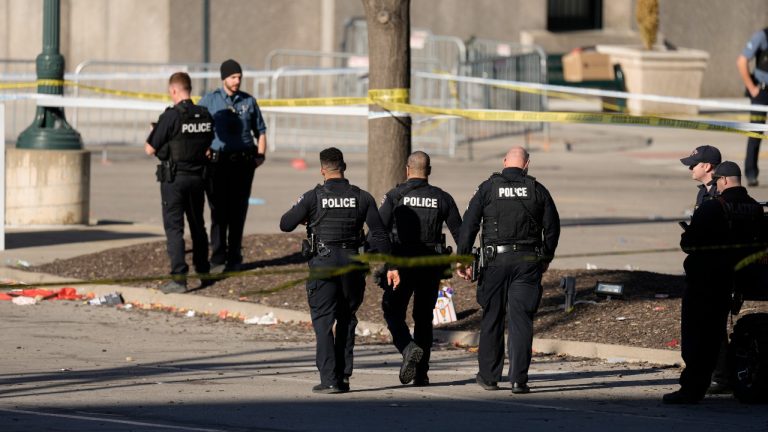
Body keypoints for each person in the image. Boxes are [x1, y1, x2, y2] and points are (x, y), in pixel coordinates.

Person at [279, 147, 399, 394]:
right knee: (346, 320)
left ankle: (329, 380)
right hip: (353, 265)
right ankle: (343, 378)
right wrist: (391, 265)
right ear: (344, 167)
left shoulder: (313, 197)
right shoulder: (362, 197)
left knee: (323, 323)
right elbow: (379, 233)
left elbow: (285, 224)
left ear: (323, 169)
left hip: (324, 265)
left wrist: (306, 217)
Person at [456, 146, 560, 394]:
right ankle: (518, 380)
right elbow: (553, 228)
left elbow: (469, 224)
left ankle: (489, 378)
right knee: (521, 320)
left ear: (504, 162)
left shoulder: (488, 188)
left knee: (492, 317)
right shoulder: (537, 190)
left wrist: (463, 259)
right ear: (527, 165)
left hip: (495, 264)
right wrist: (545, 257)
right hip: (527, 264)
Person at [664, 161, 764, 404]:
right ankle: (728, 378)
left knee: (697, 338)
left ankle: (692, 389)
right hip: (738, 279)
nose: (717, 186)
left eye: (718, 182)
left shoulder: (713, 207)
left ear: (725, 180)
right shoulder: (755, 208)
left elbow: (689, 245)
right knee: (715, 333)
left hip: (706, 281)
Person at [378, 151, 462, 386]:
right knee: (423, 318)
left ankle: (407, 348)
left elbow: (378, 230)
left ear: (407, 170)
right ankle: (421, 374)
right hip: (430, 266)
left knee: (392, 311)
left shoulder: (395, 195)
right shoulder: (442, 197)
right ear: (430, 171)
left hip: (402, 265)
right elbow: (460, 232)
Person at [145, 72, 213, 293]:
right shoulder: (204, 114)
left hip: (175, 180)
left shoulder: (171, 116)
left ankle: (179, 278)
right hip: (198, 178)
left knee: (174, 229)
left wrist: (156, 130)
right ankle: (203, 270)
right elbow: (208, 145)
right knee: (198, 226)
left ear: (173, 90)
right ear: (189, 89)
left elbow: (150, 148)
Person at [198, 59, 267, 273]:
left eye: (239, 77)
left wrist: (261, 155)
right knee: (218, 211)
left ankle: (234, 257)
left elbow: (261, 131)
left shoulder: (249, 101)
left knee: (238, 211)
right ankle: (218, 257)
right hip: (218, 163)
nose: (237, 81)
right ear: (224, 78)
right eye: (233, 77)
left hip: (243, 163)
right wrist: (203, 149)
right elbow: (197, 126)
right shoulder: (209, 100)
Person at [737, 27, 768, 187]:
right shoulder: (762, 36)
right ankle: (751, 173)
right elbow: (742, 61)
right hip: (761, 91)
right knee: (756, 132)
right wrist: (752, 88)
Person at [679, 145, 721, 210]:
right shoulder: (703, 191)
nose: (690, 168)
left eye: (693, 165)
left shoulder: (720, 192)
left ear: (707, 167)